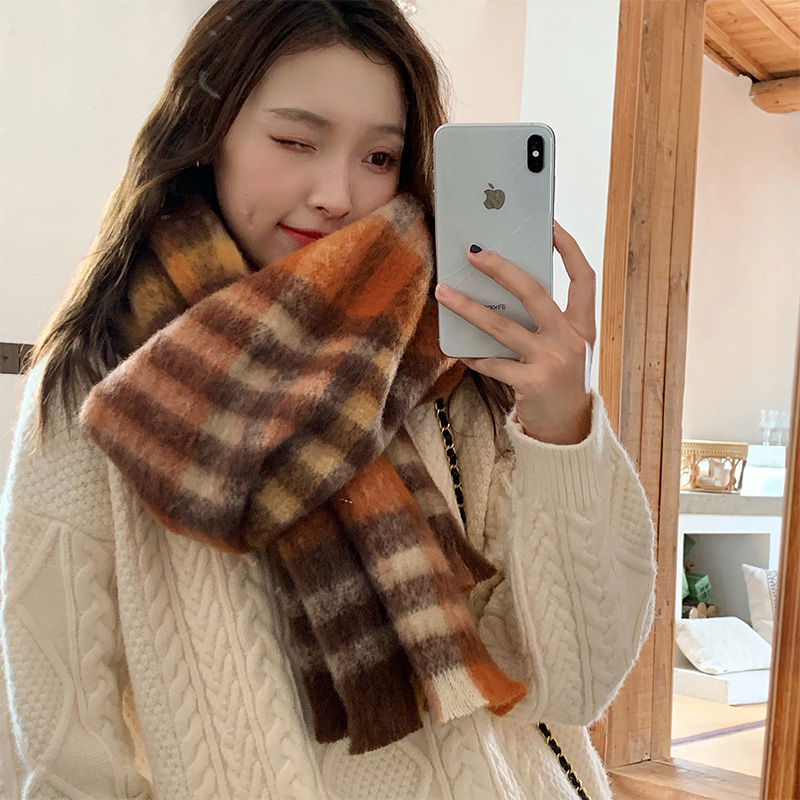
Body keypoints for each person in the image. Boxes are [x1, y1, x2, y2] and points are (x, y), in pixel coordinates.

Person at [0, 2, 657, 799]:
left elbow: (576, 686)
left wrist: (563, 424)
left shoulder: (452, 361)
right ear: (207, 132)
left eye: (379, 157)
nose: (339, 195)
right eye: (295, 141)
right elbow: (66, 760)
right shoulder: (96, 389)